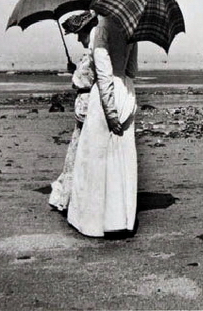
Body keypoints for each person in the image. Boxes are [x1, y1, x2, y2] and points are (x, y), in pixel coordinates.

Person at [67, 14, 139, 237]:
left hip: (105, 96)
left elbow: (104, 74)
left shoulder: (101, 29)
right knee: (122, 159)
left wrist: (110, 112)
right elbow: (132, 70)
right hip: (126, 90)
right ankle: (121, 219)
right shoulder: (131, 26)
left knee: (96, 159)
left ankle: (94, 222)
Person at [48, 11, 98, 212]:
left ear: (87, 31)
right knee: (79, 148)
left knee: (82, 149)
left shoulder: (93, 54)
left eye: (79, 33)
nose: (78, 38)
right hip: (85, 103)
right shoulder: (89, 54)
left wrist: (75, 73)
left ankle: (75, 196)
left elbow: (86, 79)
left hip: (87, 103)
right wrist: (74, 70)